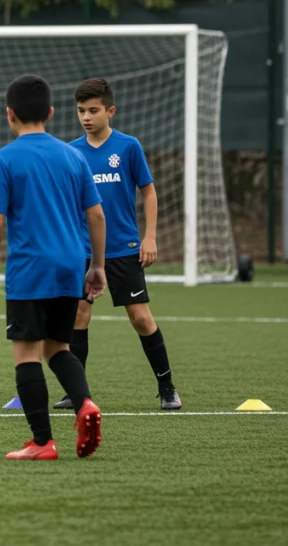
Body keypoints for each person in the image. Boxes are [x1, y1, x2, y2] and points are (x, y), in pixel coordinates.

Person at [0, 74, 104, 461]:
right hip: (71, 265)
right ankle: (84, 403)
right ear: (50, 113)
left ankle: (42, 442)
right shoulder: (74, 155)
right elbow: (96, 215)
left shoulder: (5, 158)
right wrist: (96, 265)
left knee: (27, 354)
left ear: (9, 114)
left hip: (31, 268)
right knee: (58, 347)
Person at [54, 77, 180, 411]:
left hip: (123, 249)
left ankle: (167, 388)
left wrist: (149, 236)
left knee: (140, 318)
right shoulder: (71, 152)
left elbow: (148, 190)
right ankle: (76, 392)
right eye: (81, 110)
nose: (86, 117)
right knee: (79, 316)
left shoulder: (128, 147)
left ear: (110, 111)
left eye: (93, 110)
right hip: (83, 250)